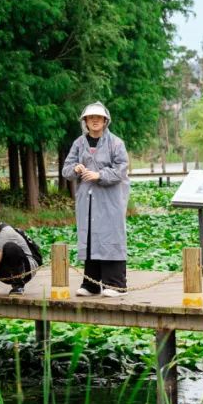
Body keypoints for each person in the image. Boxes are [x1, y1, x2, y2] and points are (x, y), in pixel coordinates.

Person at [62, 101, 130, 297]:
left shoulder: (116, 143)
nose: (94, 121)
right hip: (87, 200)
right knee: (90, 237)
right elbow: (66, 169)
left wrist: (99, 175)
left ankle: (116, 284)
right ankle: (91, 284)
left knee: (111, 237)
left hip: (110, 200)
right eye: (90, 118)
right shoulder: (78, 143)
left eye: (98, 118)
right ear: (85, 121)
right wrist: (75, 169)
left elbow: (121, 170)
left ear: (105, 121)